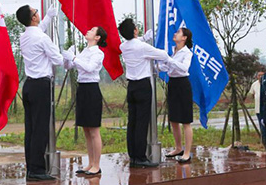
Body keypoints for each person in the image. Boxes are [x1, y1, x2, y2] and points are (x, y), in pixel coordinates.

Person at [16, 4, 63, 181]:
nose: (38, 13)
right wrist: (68, 56)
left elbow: (37, 30)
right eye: (36, 12)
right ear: (34, 18)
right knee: (40, 128)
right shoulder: (42, 38)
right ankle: (37, 169)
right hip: (41, 86)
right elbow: (57, 60)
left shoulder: (24, 37)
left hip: (29, 85)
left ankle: (31, 167)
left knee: (31, 128)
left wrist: (48, 17)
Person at [118, 18, 169, 168]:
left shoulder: (123, 46)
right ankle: (141, 157)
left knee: (132, 122)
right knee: (141, 122)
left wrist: (143, 38)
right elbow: (163, 55)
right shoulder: (142, 47)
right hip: (143, 86)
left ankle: (133, 156)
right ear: (135, 30)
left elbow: (133, 42)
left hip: (131, 87)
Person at [63, 26, 108, 176]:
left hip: (91, 89)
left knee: (94, 130)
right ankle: (90, 163)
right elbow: (69, 66)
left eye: (92, 30)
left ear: (97, 37)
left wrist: (74, 58)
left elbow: (89, 68)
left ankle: (97, 165)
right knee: (86, 130)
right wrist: (67, 57)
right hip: (82, 88)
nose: (88, 31)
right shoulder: (84, 51)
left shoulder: (98, 53)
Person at [158, 28, 194, 164]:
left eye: (178, 32)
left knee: (185, 121)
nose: (175, 34)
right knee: (173, 119)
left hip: (183, 84)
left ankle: (187, 152)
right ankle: (178, 148)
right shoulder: (173, 51)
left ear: (184, 38)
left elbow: (184, 68)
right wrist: (161, 64)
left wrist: (169, 60)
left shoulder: (187, 52)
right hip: (172, 83)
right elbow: (168, 68)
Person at [247, 70, 265, 139]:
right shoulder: (254, 84)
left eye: (262, 75)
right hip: (258, 109)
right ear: (257, 76)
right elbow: (252, 94)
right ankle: (263, 139)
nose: (260, 77)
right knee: (261, 124)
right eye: (259, 75)